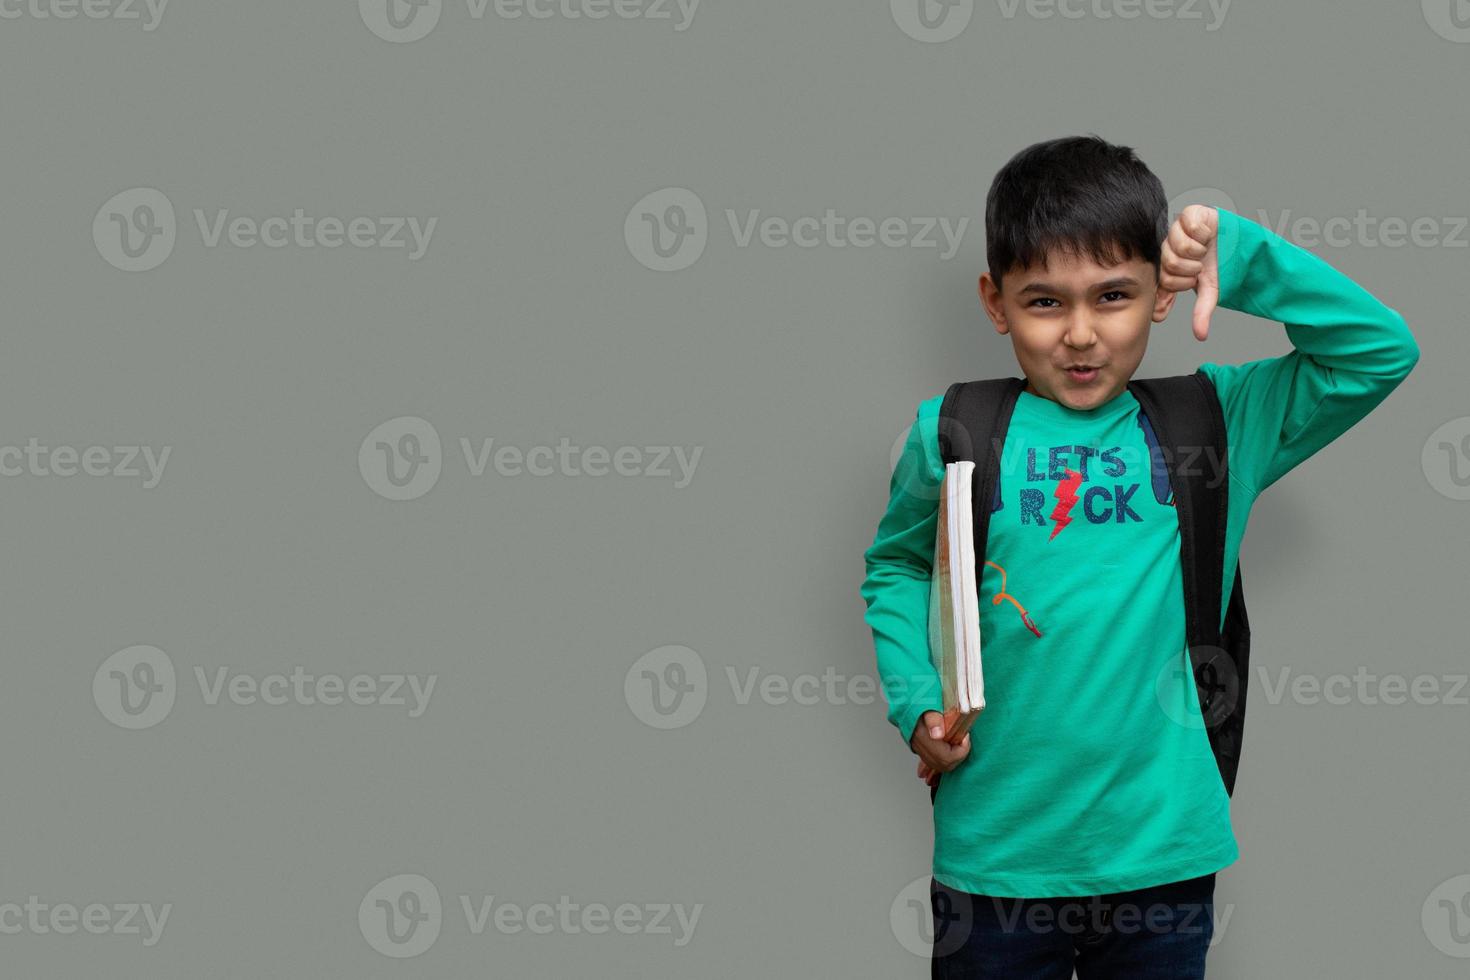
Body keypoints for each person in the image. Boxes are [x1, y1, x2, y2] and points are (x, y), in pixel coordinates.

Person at [860, 134, 1420, 978]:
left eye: (1113, 296)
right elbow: (898, 567)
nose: (1082, 335)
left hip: (1164, 858)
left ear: (1164, 295)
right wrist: (916, 704)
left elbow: (1381, 350)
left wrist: (1245, 256)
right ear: (994, 300)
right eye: (1045, 302)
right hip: (996, 860)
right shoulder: (955, 430)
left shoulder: (1218, 423)